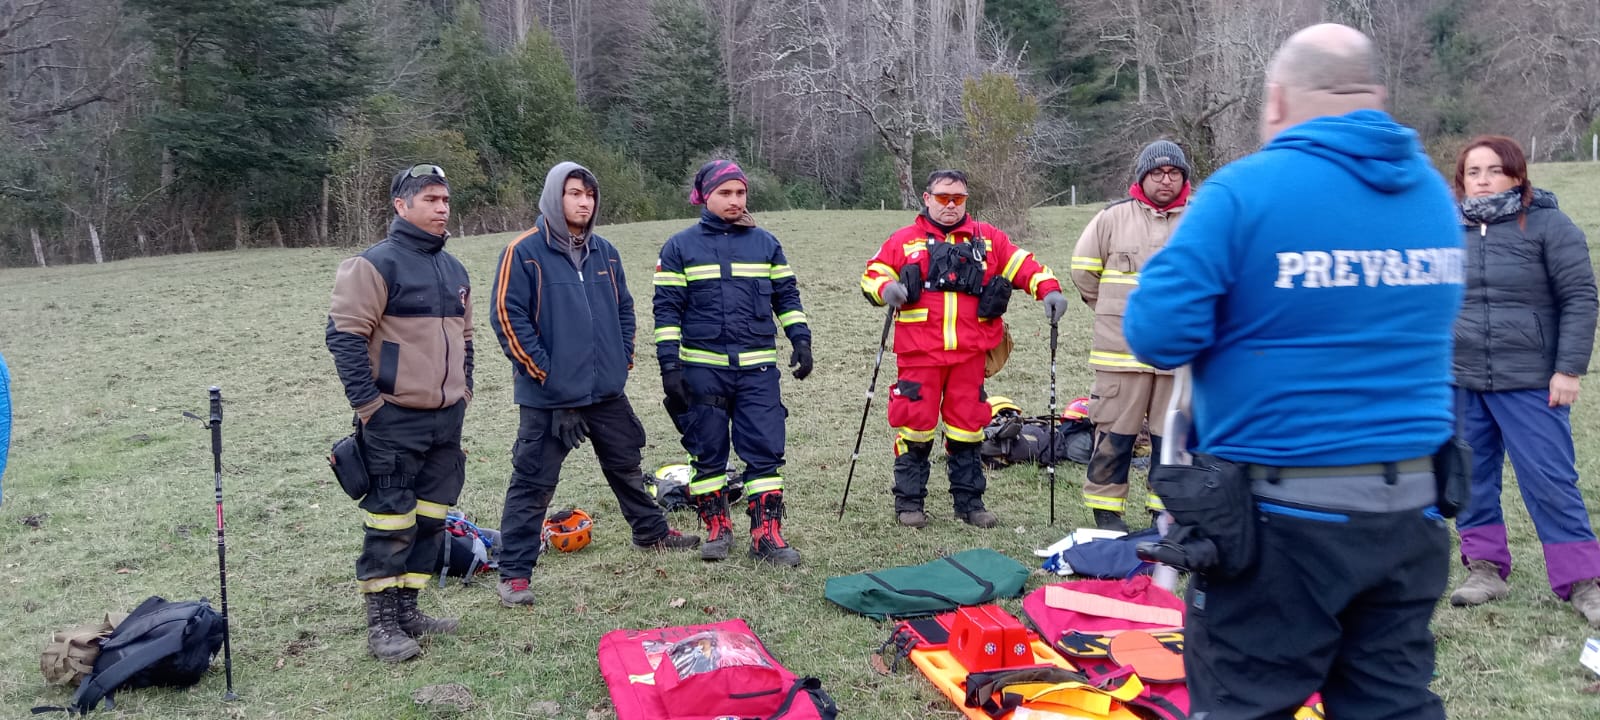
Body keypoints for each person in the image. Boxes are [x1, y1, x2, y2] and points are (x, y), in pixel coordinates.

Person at [1124, 24, 1461, 719]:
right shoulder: (1431, 194)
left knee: (1246, 703)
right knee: (1390, 704)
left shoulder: (1244, 192)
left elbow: (1157, 333)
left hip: (1282, 519)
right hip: (1413, 509)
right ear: (1375, 94)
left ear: (1276, 99)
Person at [492, 162, 701, 607]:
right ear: (554, 197)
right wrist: (550, 378)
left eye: (589, 194)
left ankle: (650, 532)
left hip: (605, 390)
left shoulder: (605, 252)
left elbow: (625, 309)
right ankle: (514, 573)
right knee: (533, 482)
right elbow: (508, 318)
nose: (584, 202)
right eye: (574, 193)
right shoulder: (523, 252)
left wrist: (621, 361)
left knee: (626, 463)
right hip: (548, 398)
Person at [1446, 135, 1600, 623]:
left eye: (1494, 170)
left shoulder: (1549, 225)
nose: (1483, 180)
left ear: (1516, 174)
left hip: (1532, 379)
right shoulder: (1445, 229)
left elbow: (1580, 298)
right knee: (1470, 477)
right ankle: (1484, 568)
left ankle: (1582, 581)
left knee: (1550, 479)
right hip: (1462, 380)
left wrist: (1568, 369)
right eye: (1474, 172)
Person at [860, 169, 1068, 529]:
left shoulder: (988, 239)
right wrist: (885, 289)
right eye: (943, 198)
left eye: (958, 199)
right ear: (927, 199)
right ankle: (909, 503)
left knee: (968, 428)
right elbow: (873, 272)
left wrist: (1048, 289)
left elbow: (1024, 264)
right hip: (919, 355)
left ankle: (970, 503)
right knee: (915, 426)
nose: (951, 205)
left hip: (970, 355)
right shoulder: (904, 240)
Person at [325, 163, 472, 663]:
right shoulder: (372, 266)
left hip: (445, 420)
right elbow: (344, 338)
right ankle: (382, 625)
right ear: (401, 206)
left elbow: (467, 339)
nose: (441, 208)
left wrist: (464, 392)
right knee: (390, 522)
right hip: (392, 420)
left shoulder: (454, 269)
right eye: (430, 199)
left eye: (445, 200)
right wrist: (370, 407)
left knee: (431, 519)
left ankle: (409, 610)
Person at [653, 160, 813, 566]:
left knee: (765, 451)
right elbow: (667, 310)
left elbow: (786, 296)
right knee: (707, 452)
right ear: (705, 196)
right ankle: (717, 528)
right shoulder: (679, 247)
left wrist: (801, 339)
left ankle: (766, 535)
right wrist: (670, 367)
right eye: (725, 193)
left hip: (758, 370)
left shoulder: (766, 244)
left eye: (741, 192)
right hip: (702, 370)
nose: (735, 200)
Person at [1069, 140, 1192, 532]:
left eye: (1174, 173)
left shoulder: (1201, 219)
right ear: (1142, 176)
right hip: (1119, 354)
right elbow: (1083, 271)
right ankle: (1106, 513)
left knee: (1172, 439)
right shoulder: (1111, 218)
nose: (1166, 180)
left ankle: (1165, 513)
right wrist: (1110, 310)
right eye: (1157, 172)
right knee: (1114, 434)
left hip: (1179, 358)